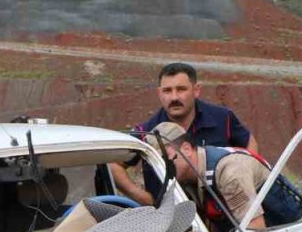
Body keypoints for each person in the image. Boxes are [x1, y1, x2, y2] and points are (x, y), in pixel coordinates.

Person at [111, 62, 259, 205]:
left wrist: (246, 182)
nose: (174, 97)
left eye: (181, 89)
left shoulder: (222, 118)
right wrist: (143, 198)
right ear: (159, 93)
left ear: (196, 90)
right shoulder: (146, 132)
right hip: (170, 218)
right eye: (167, 90)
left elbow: (249, 144)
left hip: (221, 214)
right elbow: (114, 164)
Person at [145, 121, 302, 232]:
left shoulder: (229, 172)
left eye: (164, 158)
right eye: (156, 161)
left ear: (186, 149)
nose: (161, 166)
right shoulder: (190, 175)